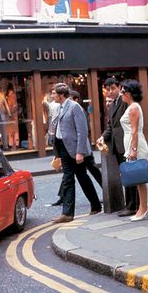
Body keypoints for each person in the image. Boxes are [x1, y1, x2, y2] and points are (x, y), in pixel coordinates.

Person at [51, 83, 102, 223]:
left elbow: (82, 130)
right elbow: (57, 130)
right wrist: (57, 153)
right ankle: (67, 213)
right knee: (68, 179)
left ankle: (96, 205)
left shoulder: (74, 107)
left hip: (74, 150)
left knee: (82, 178)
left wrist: (80, 152)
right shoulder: (58, 108)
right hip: (63, 149)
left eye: (54, 93)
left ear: (61, 95)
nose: (52, 95)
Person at [96, 77, 139, 217]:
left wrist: (134, 146)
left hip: (126, 143)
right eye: (107, 89)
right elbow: (110, 125)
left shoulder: (125, 101)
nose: (109, 92)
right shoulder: (113, 104)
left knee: (130, 175)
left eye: (112, 88)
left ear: (119, 87)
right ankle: (131, 204)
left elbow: (133, 124)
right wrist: (103, 136)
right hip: (118, 144)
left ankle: (133, 205)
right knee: (126, 175)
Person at [119, 80, 148, 221]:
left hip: (136, 145)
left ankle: (143, 209)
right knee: (138, 180)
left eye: (123, 92)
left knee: (140, 179)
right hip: (132, 144)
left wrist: (133, 150)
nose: (121, 94)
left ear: (129, 93)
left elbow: (135, 131)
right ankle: (142, 208)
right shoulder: (131, 106)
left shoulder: (133, 108)